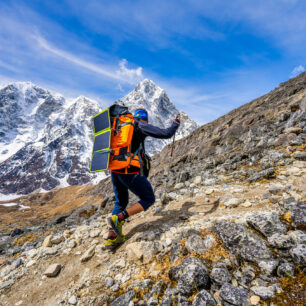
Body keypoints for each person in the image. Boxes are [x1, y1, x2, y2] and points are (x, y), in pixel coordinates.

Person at [105, 109, 180, 247]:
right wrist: (175, 123)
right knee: (148, 198)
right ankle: (119, 218)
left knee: (120, 202)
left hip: (115, 170)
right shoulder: (140, 125)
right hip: (129, 171)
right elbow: (167, 133)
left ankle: (112, 236)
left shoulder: (121, 127)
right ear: (144, 119)